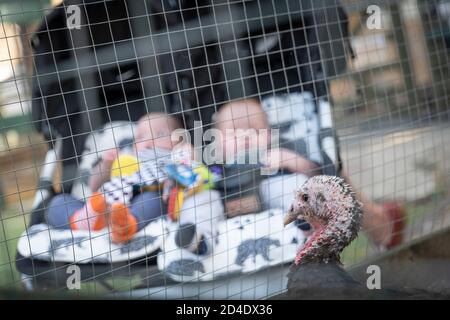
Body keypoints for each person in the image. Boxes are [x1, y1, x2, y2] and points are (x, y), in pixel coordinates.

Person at [212, 99, 405, 249]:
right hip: (230, 202)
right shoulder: (218, 164)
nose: (245, 138)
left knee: (294, 184)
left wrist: (288, 160)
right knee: (205, 200)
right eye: (233, 133)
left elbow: (315, 172)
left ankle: (305, 219)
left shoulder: (276, 154)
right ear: (217, 142)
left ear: (270, 135)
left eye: (254, 131)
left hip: (272, 194)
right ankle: (197, 235)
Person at [45, 112, 224, 248]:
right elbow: (94, 186)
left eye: (160, 134)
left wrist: (184, 154)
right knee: (57, 203)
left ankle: (125, 225)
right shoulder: (127, 156)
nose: (148, 141)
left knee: (150, 201)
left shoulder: (175, 154)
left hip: (141, 202)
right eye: (140, 137)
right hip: (100, 207)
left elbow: (191, 168)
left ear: (179, 139)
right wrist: (107, 165)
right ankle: (80, 220)